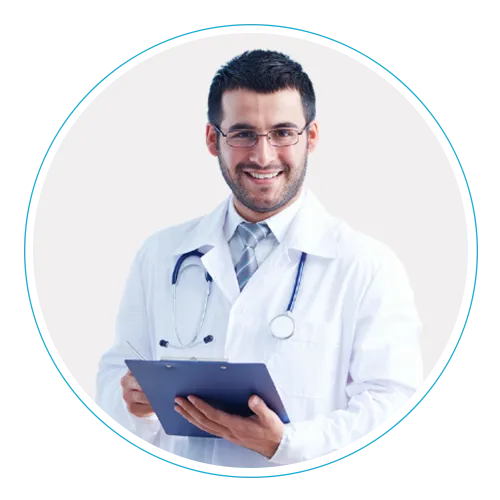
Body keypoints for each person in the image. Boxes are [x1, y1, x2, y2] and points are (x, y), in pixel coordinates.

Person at [96, 49, 424, 469]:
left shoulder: (367, 266)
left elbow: (394, 407)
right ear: (213, 139)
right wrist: (133, 404)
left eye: (283, 132)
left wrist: (287, 444)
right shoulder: (160, 254)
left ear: (311, 137)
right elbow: (114, 378)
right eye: (243, 134)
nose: (264, 156)